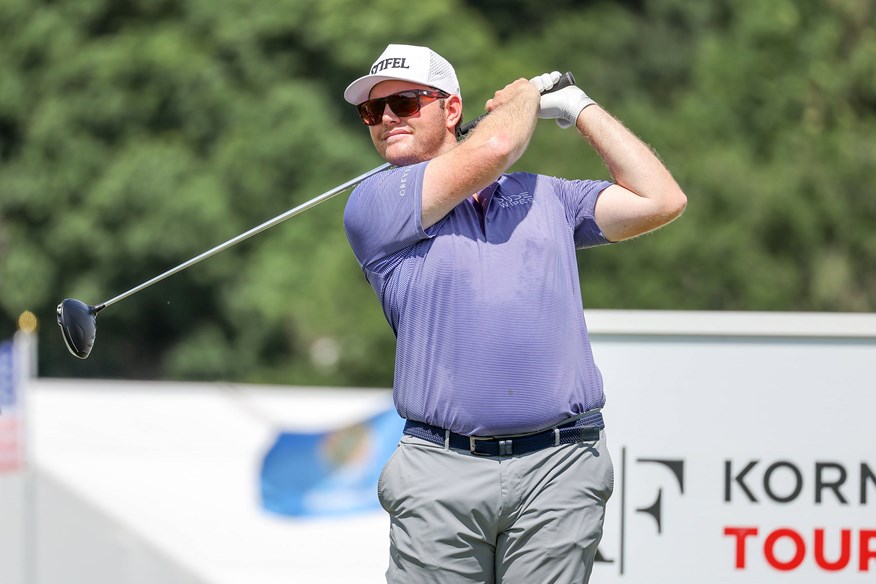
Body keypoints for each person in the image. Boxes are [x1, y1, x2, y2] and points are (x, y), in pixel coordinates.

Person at [342, 44, 686, 583]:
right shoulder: (375, 202)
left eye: (404, 103)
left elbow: (660, 199)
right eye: (371, 111)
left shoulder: (546, 195)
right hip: (440, 469)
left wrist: (578, 108)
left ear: (451, 110)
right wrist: (524, 97)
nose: (386, 119)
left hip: (560, 464)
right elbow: (498, 144)